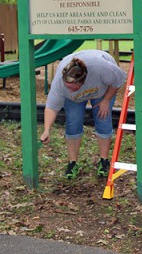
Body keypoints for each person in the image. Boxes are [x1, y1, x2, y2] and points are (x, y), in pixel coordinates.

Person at [40, 50, 126, 179]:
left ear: (82, 82)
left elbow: (118, 79)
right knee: (73, 122)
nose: (69, 89)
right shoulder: (59, 84)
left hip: (102, 89)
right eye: (67, 86)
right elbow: (52, 107)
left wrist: (106, 100)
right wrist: (47, 130)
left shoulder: (102, 68)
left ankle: (104, 161)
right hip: (75, 99)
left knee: (102, 118)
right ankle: (72, 163)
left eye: (73, 87)